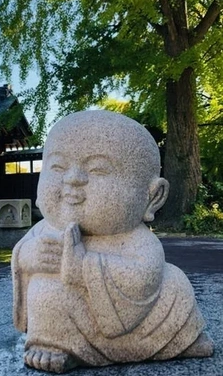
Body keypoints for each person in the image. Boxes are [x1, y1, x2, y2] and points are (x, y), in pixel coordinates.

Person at [12, 110, 213, 374]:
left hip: (142, 324)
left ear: (152, 197)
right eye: (58, 166)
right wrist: (27, 257)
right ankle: (53, 344)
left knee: (175, 283)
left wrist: (82, 266)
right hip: (68, 320)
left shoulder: (138, 240)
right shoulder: (45, 230)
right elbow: (21, 264)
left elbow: (143, 276)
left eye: (97, 169)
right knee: (45, 289)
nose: (73, 178)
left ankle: (180, 340)